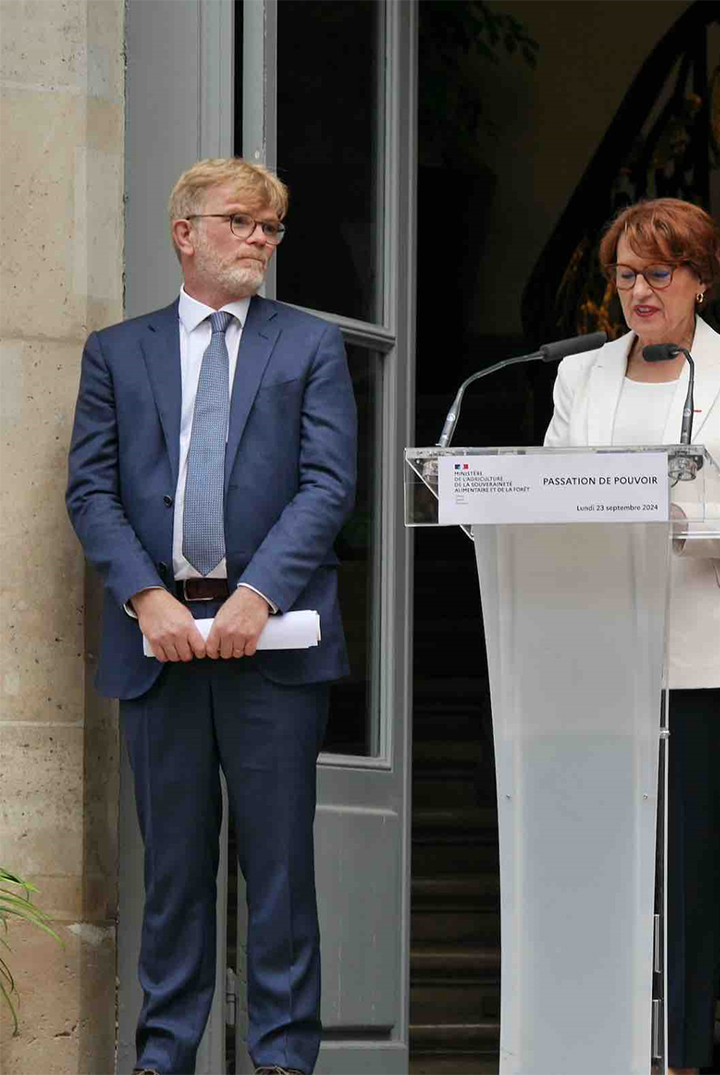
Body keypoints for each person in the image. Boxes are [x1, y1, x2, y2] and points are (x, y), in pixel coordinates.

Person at [66, 158, 357, 1075]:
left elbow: (327, 484)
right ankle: (163, 1057)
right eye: (242, 221)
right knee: (175, 874)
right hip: (158, 643)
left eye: (271, 227)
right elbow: (91, 489)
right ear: (185, 231)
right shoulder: (117, 351)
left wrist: (256, 593)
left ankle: (280, 1058)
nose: (261, 240)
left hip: (270, 640)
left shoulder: (308, 344)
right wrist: (147, 598)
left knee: (277, 872)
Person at [543, 197, 720, 1072]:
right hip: (596, 648)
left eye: (658, 274)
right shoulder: (579, 377)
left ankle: (681, 1053)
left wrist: (657, 507)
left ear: (698, 276)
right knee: (598, 861)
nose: (639, 293)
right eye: (624, 276)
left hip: (704, 646)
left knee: (686, 869)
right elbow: (551, 499)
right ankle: (597, 1046)